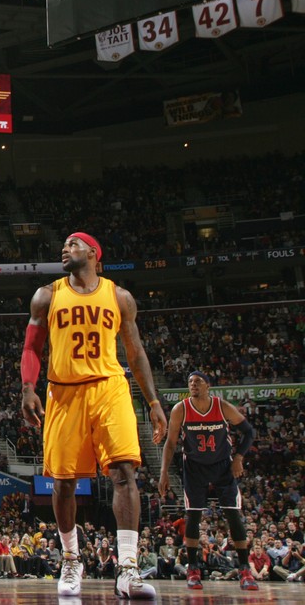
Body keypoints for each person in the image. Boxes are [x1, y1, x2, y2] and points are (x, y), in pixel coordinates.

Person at [20, 232, 167, 599]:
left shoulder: (119, 297)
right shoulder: (47, 295)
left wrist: (153, 403)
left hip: (109, 386)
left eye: (73, 243)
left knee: (123, 472)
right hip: (64, 390)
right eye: (64, 245)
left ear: (94, 254)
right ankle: (71, 560)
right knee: (63, 482)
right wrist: (27, 388)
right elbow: (31, 347)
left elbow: (135, 353)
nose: (65, 248)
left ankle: (128, 570)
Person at [157, 370, 258, 591]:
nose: (193, 385)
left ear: (208, 386)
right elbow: (171, 443)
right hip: (194, 467)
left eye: (198, 382)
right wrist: (164, 472)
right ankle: (193, 569)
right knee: (193, 515)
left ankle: (244, 569)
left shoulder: (221, 406)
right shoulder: (180, 409)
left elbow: (249, 432)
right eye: (190, 382)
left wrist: (239, 457)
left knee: (232, 514)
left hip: (223, 465)